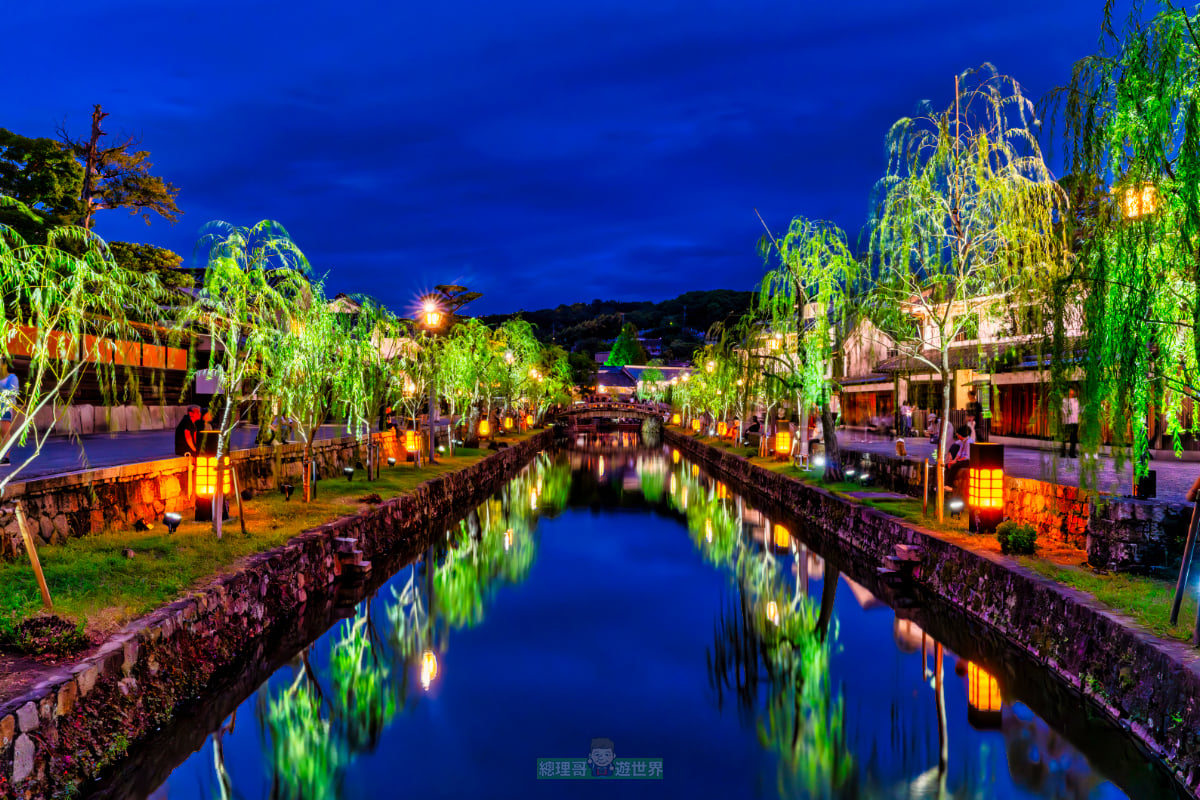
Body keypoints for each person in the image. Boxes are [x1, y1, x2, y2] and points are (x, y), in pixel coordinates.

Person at [0, 360, 17, 465]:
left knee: (5, 431)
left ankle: (5, 457)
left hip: (5, 407)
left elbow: (12, 393)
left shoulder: (11, 378)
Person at [1061, 387, 1080, 458]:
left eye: (1073, 391)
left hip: (1074, 421)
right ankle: (1063, 452)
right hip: (1067, 421)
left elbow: (1078, 410)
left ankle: (1072, 453)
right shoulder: (1064, 400)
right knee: (1064, 438)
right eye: (1071, 391)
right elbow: (1063, 410)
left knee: (1074, 438)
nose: (1072, 392)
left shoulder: (1076, 400)